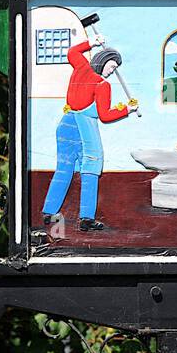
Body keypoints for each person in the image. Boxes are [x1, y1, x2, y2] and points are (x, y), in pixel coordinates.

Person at [42, 34, 136, 231]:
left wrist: (91, 42)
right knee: (90, 170)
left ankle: (49, 212)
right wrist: (127, 109)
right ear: (102, 62)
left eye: (115, 69)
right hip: (84, 128)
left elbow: (72, 52)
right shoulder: (102, 85)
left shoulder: (80, 68)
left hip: (65, 124)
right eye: (111, 67)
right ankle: (86, 218)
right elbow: (105, 115)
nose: (111, 71)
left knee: (64, 169)